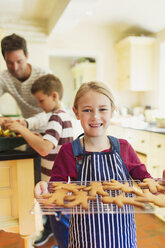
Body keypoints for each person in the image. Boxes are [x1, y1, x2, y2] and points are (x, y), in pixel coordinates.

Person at [35, 81, 165, 248]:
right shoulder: (68, 152)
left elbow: (146, 182)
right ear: (76, 113)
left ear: (112, 111)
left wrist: (160, 184)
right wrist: (44, 188)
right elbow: (55, 189)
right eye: (87, 110)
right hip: (84, 237)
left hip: (122, 236)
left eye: (102, 109)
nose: (95, 116)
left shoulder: (124, 148)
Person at [6, 74, 74, 247]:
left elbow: (44, 148)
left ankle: (65, 245)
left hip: (56, 184)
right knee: (61, 221)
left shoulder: (56, 117)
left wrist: (21, 129)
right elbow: (52, 142)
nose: (39, 105)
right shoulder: (63, 116)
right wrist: (38, 136)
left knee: (61, 224)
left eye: (41, 100)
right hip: (62, 183)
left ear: (54, 96)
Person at [0, 33, 51, 129]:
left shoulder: (44, 75)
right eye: (9, 63)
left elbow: (54, 111)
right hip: (28, 131)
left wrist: (26, 123)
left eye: (19, 61)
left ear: (27, 56)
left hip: (52, 128)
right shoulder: (4, 78)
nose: (15, 68)